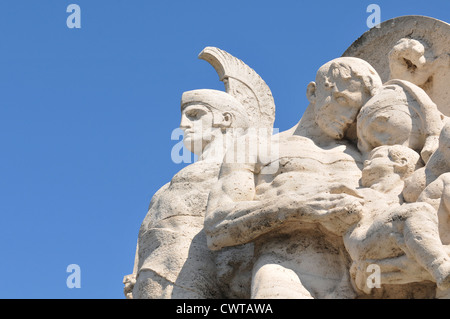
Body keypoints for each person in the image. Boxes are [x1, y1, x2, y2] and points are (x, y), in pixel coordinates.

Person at [205, 57, 382, 299]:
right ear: (313, 92)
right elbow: (217, 226)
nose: (350, 116)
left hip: (358, 282)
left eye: (359, 110)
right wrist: (295, 208)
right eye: (343, 101)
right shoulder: (258, 146)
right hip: (285, 272)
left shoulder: (366, 157)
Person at [343, 145, 450, 295]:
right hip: (363, 241)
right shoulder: (359, 193)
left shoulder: (409, 195)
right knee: (416, 211)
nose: (366, 163)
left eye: (376, 157)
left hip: (392, 252)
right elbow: (363, 280)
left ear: (401, 162)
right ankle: (440, 266)